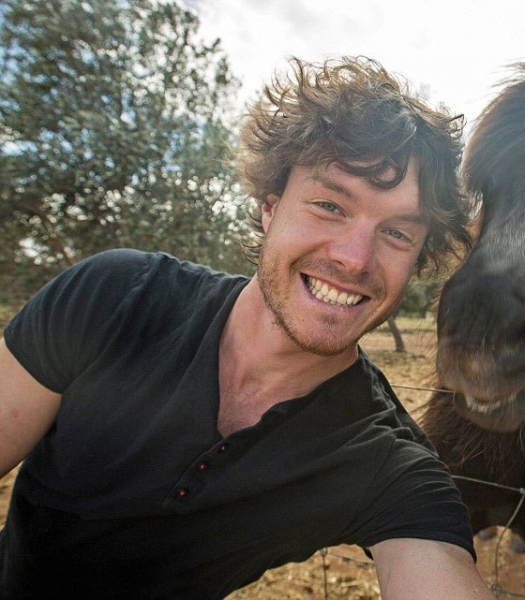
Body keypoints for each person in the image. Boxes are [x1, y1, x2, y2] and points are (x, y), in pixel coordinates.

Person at [0, 56, 495, 599]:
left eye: (398, 233)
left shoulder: (385, 460)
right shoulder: (116, 297)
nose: (355, 259)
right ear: (269, 206)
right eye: (330, 205)